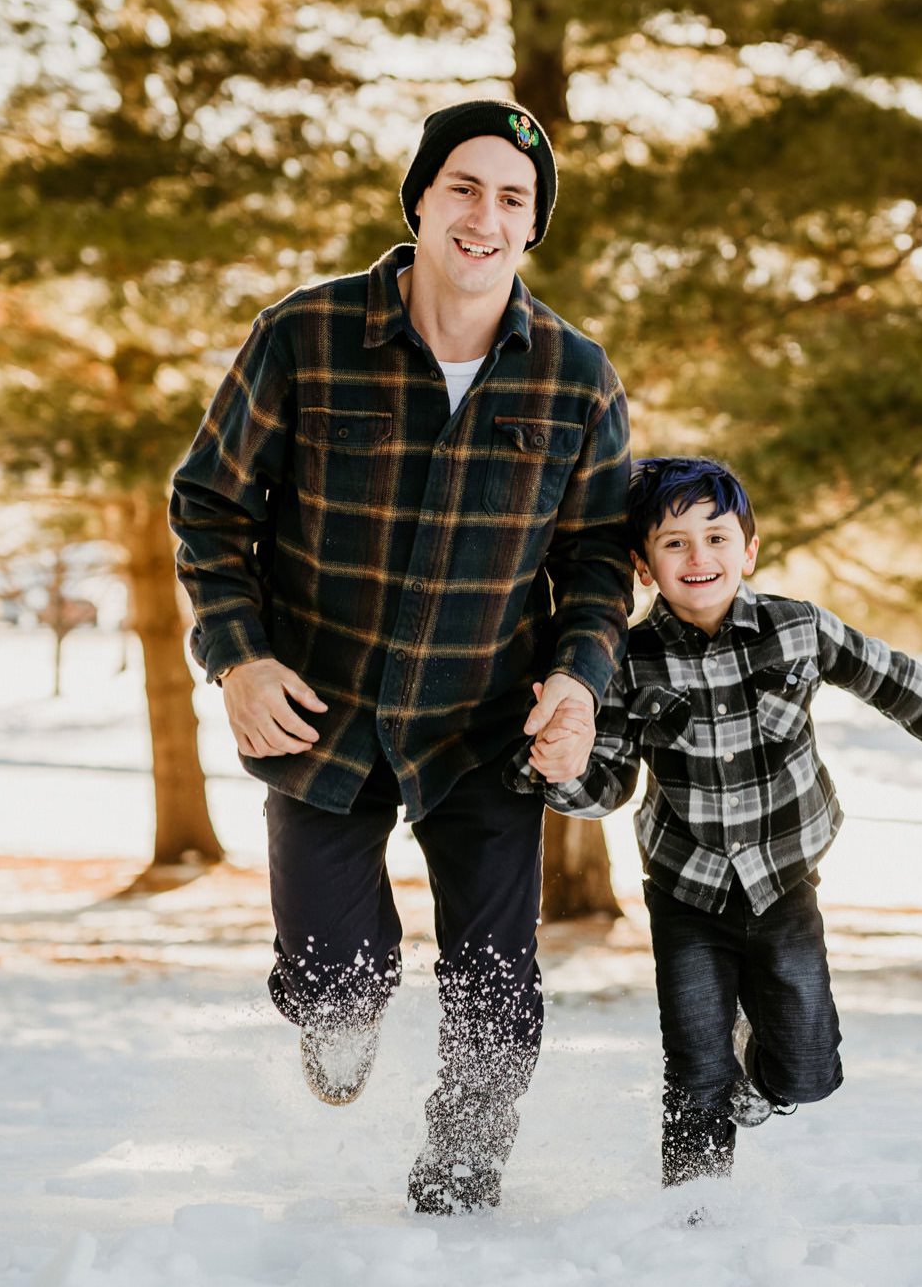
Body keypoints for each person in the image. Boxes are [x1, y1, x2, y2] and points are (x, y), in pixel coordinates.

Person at [169, 99, 633, 1215]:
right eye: (463, 187)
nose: (485, 215)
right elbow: (209, 506)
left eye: (513, 199)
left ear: (534, 228)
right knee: (331, 975)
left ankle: (463, 1178)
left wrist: (577, 680)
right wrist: (238, 660)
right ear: (421, 198)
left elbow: (603, 559)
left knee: (497, 983)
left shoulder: (576, 377)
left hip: (485, 724)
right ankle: (342, 1006)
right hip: (320, 715)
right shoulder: (305, 333)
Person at [514, 456, 922, 1186]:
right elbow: (609, 787)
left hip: (785, 880)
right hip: (685, 889)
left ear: (748, 550)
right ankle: (695, 1213)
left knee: (808, 1072)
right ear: (642, 565)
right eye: (675, 543)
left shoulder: (797, 630)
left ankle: (755, 1065)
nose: (700, 557)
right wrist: (561, 771)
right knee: (694, 1069)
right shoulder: (627, 661)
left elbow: (901, 683)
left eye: (717, 538)